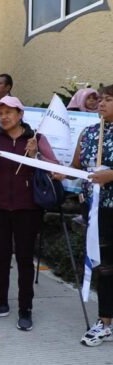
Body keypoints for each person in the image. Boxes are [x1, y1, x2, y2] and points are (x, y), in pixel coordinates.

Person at [0, 96, 60, 331]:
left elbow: (55, 168)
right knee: (1, 256)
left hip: (28, 207)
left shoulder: (36, 139)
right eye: (0, 113)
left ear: (20, 114)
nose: (3, 117)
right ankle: (0, 303)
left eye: (8, 112)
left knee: (24, 259)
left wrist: (36, 156)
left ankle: (26, 309)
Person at [76, 85, 113, 346]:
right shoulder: (89, 133)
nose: (102, 103)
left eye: (109, 100)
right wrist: (47, 165)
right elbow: (75, 167)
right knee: (105, 266)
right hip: (97, 211)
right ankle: (105, 321)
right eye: (100, 99)